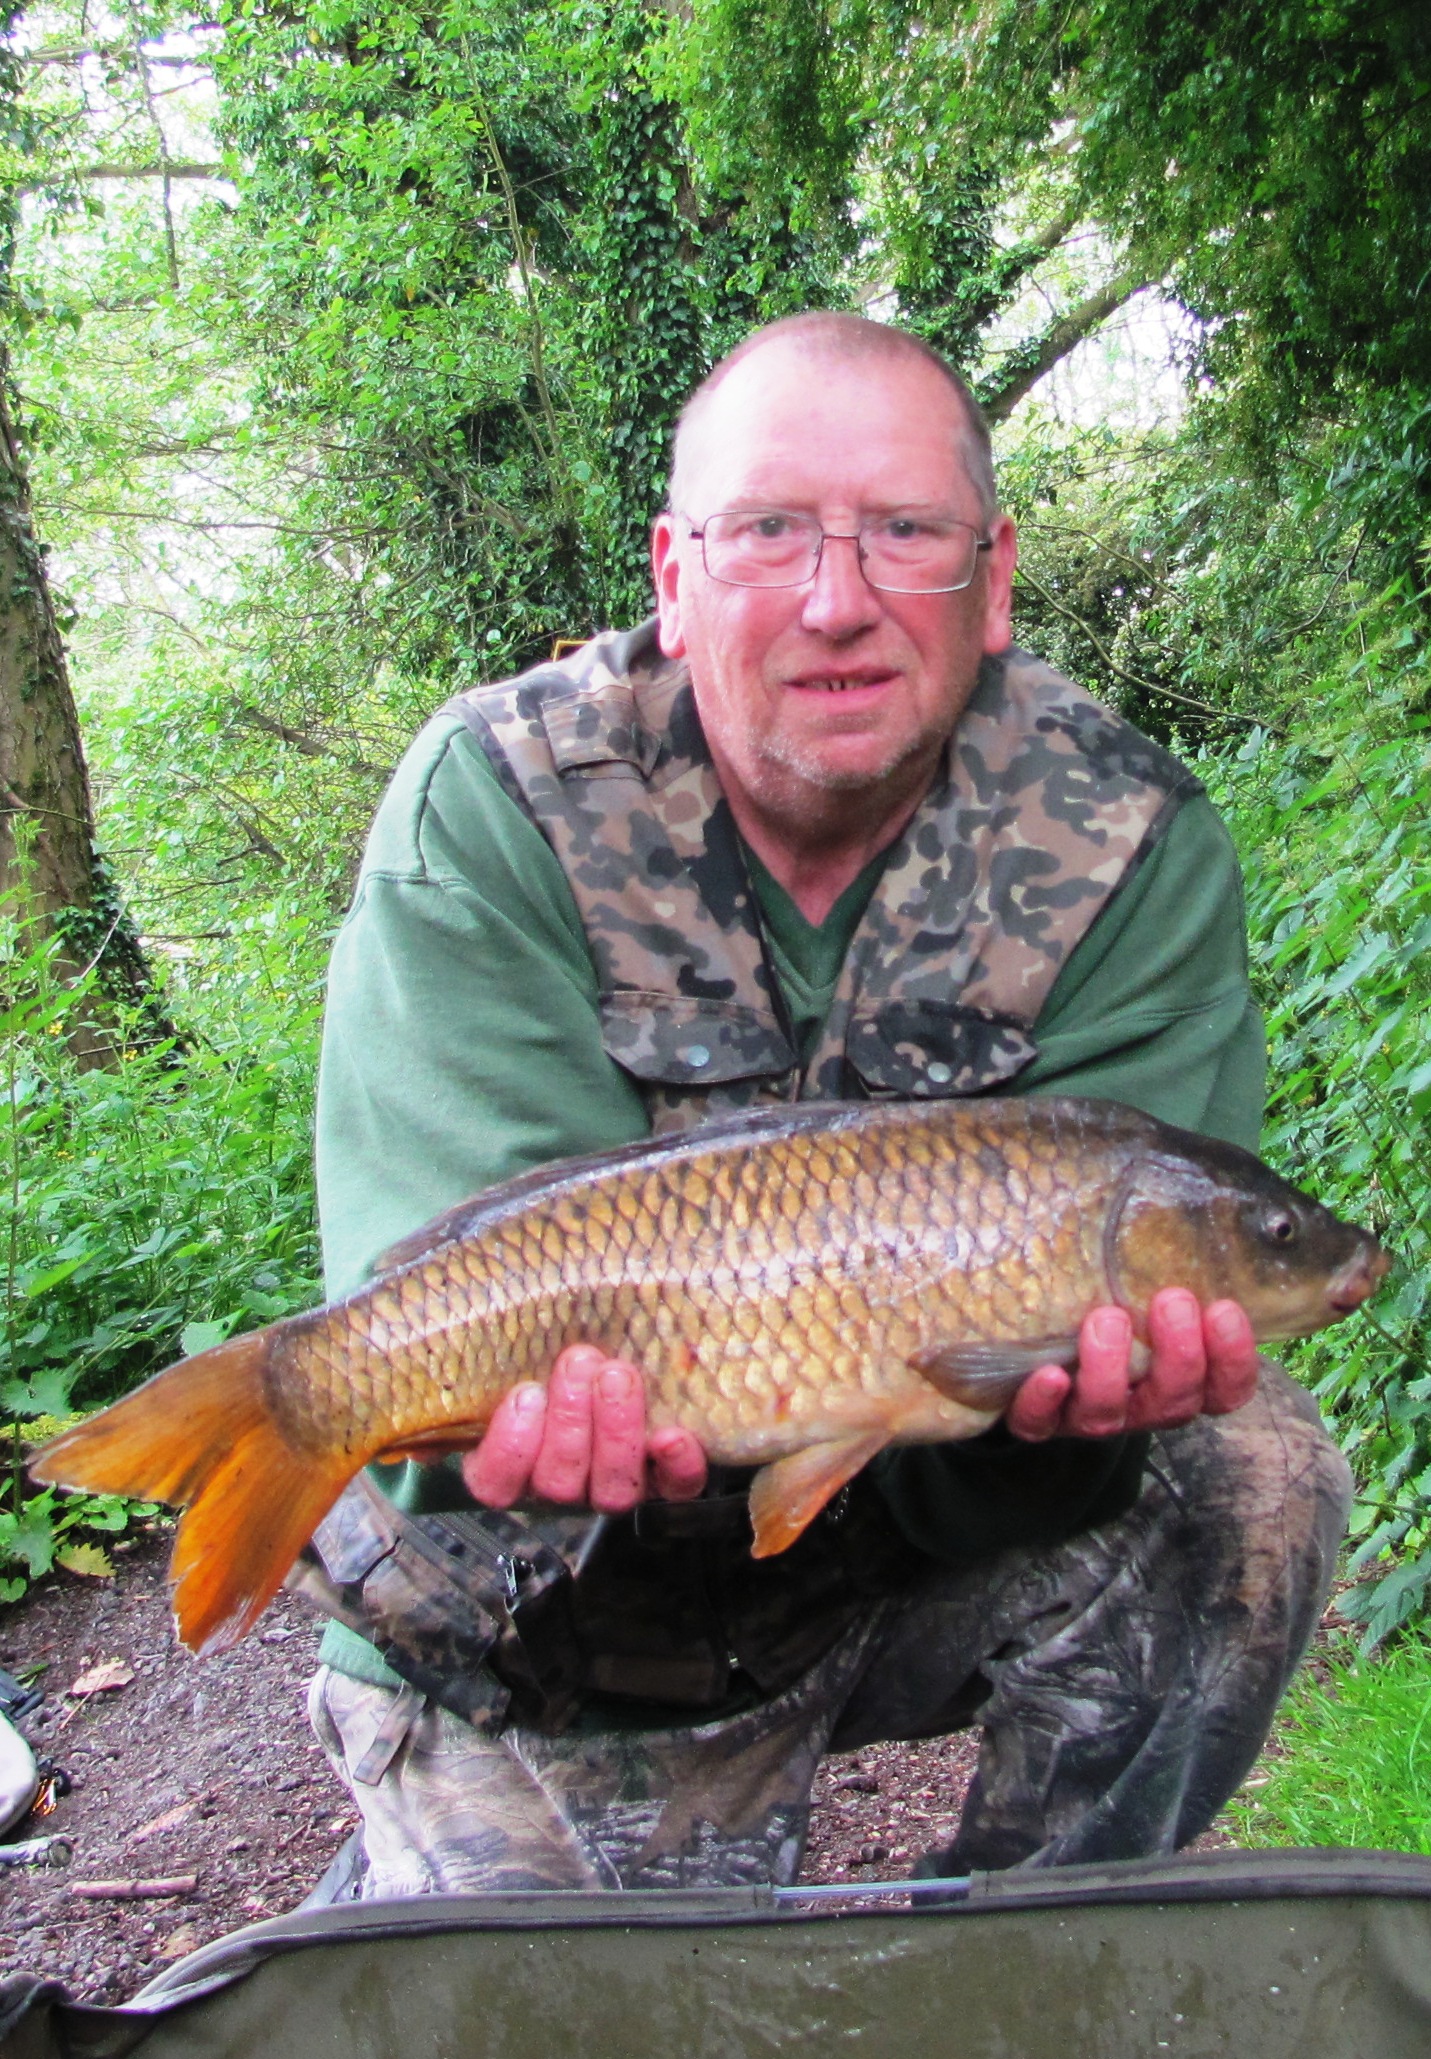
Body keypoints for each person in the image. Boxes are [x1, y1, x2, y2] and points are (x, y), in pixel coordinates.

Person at [302, 313, 1351, 1897]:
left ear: (990, 581)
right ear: (673, 573)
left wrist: (1034, 1424)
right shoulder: (500, 803)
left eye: (906, 533)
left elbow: (1015, 1436)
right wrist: (457, 1419)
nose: (838, 599)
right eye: (768, 531)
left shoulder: (1117, 835)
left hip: (910, 1523)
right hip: (554, 1598)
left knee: (1254, 1472)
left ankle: (1016, 1976)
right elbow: (430, 1339)